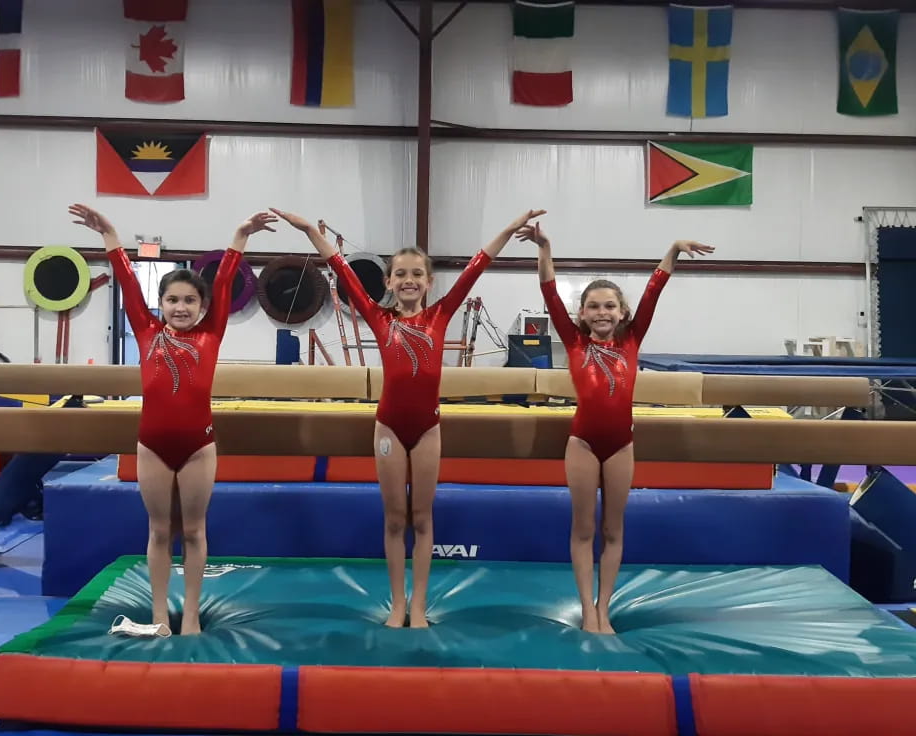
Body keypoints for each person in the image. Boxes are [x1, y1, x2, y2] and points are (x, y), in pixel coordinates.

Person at [272, 207, 545, 627]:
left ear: (429, 282)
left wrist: (508, 230)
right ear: (388, 282)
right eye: (400, 274)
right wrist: (311, 231)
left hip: (427, 429)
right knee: (395, 517)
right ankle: (397, 602)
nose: (409, 281)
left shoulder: (441, 314)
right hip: (389, 428)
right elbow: (341, 271)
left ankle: (418, 604)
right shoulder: (378, 318)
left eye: (417, 274)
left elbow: (477, 266)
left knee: (422, 516)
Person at [69, 203, 276, 635]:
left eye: (189, 300)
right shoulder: (146, 330)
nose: (181, 307)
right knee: (160, 531)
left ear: (203, 306)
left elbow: (223, 280)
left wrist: (241, 236)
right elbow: (125, 280)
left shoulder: (210, 333)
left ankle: (194, 614)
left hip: (199, 447)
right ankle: (161, 613)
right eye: (173, 300)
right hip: (153, 446)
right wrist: (109, 234)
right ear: (159, 303)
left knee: (195, 531)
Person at [519, 221, 714, 634]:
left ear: (622, 313)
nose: (602, 312)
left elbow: (653, 292)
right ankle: (587, 608)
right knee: (583, 527)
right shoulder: (574, 342)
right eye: (594, 306)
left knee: (613, 528)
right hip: (584, 444)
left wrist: (673, 250)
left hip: (621, 444)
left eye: (610, 306)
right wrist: (545, 249)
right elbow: (549, 292)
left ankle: (604, 606)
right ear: (582, 313)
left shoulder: (631, 340)